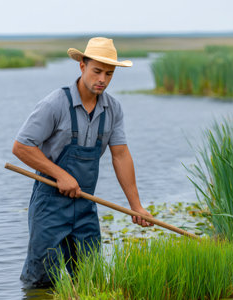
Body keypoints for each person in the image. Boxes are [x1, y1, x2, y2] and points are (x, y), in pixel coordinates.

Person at [12, 37, 153, 288]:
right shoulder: (55, 103)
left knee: (91, 279)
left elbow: (120, 155)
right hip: (49, 206)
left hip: (86, 204)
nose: (102, 79)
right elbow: (21, 147)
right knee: (41, 282)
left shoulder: (113, 109)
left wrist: (136, 206)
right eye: (97, 71)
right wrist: (60, 175)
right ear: (82, 66)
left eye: (109, 74)